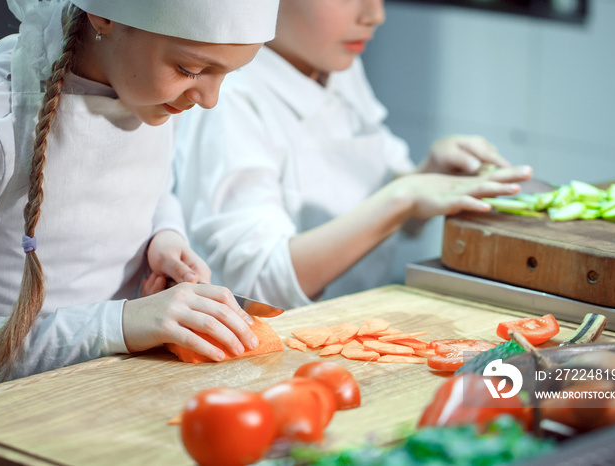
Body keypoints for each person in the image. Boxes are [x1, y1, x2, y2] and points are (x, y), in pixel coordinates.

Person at [0, 0, 279, 393]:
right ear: (105, 16)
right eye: (190, 69)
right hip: (8, 406)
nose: (209, 99)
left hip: (121, 387)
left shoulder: (153, 93)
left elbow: (158, 186)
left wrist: (165, 234)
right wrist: (122, 324)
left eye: (227, 73)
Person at [173, 0, 533, 310]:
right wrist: (403, 198)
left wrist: (429, 172)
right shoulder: (231, 96)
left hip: (353, 324)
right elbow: (256, 286)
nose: (375, 15)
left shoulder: (337, 66)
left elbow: (394, 215)